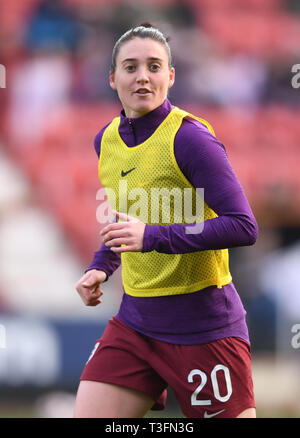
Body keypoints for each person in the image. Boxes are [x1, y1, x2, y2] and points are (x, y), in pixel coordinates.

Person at [74, 23, 258, 418]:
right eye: (131, 67)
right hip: (135, 323)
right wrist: (100, 268)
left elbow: (243, 225)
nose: (143, 76)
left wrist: (153, 236)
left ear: (170, 76)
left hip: (204, 327)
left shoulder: (191, 138)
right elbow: (122, 221)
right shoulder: (105, 140)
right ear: (112, 78)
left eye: (154, 66)